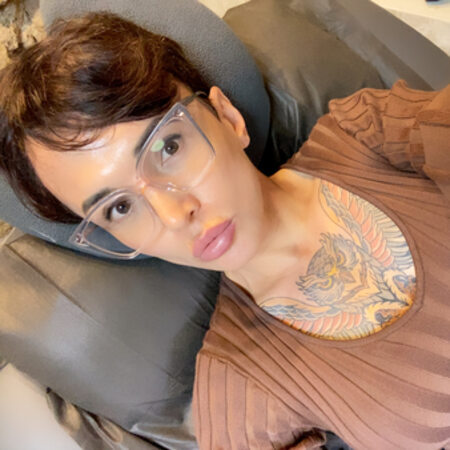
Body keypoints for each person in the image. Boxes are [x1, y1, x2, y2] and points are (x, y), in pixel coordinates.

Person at [0, 12, 448, 450]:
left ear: (227, 117)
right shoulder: (238, 379)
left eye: (168, 147)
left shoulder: (366, 131)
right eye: (119, 207)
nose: (174, 215)